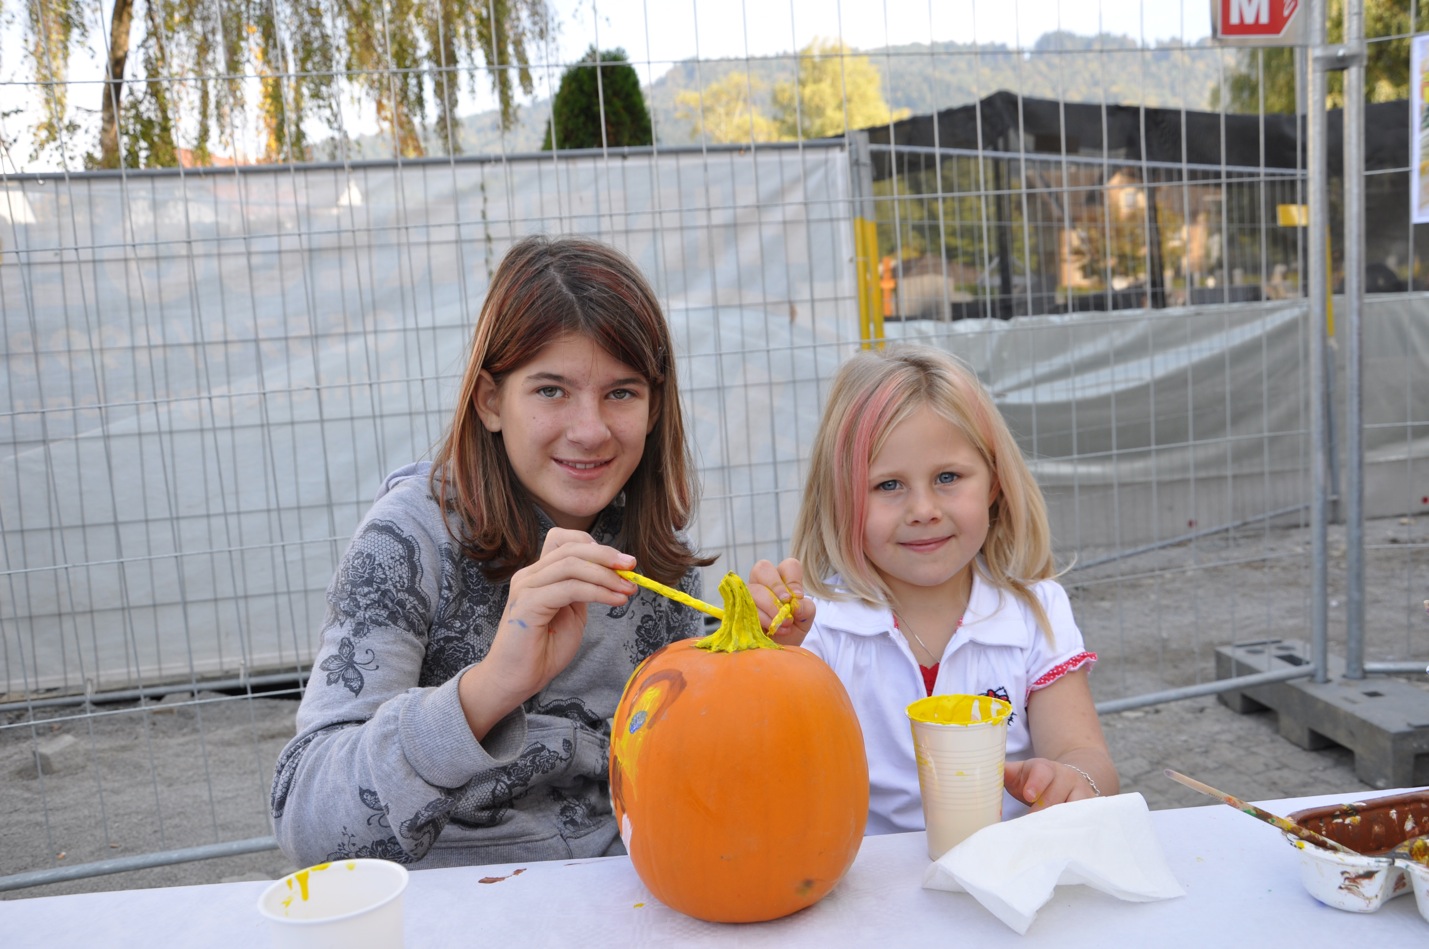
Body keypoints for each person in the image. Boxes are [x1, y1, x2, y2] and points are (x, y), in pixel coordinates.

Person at [271, 234, 714, 869]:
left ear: (652, 408)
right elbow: (307, 821)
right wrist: (489, 689)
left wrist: (750, 674)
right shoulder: (406, 544)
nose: (590, 430)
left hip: (622, 894)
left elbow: (689, 785)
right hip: (447, 903)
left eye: (621, 392)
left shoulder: (661, 562)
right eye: (551, 390)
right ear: (490, 401)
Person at [751, 343, 1118, 835]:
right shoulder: (812, 629)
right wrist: (768, 659)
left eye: (948, 477)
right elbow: (763, 777)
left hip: (1006, 866)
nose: (923, 510)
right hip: (863, 876)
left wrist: (1073, 780)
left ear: (994, 484)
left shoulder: (1037, 610)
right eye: (888, 485)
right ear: (839, 499)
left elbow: (1086, 754)